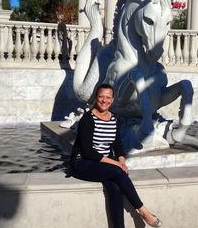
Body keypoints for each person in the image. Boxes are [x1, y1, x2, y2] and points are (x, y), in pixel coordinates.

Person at [69, 83, 162, 228]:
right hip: (83, 163)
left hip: (102, 164)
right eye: (101, 97)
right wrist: (116, 164)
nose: (104, 100)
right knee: (116, 171)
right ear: (96, 98)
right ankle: (143, 211)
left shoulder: (114, 119)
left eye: (108, 97)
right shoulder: (88, 119)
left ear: (112, 100)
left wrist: (122, 160)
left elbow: (117, 144)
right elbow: (88, 151)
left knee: (115, 187)